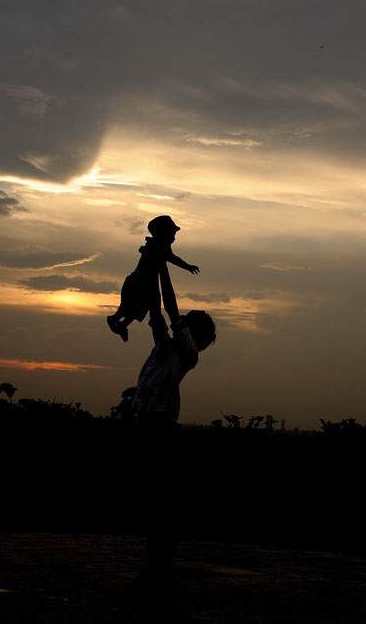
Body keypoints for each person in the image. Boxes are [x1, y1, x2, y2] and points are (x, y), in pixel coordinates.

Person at [131, 267, 216, 593]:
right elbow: (157, 309)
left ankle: (160, 569)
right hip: (148, 424)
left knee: (161, 504)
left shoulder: (188, 353)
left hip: (160, 426)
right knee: (155, 503)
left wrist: (162, 266)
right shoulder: (164, 348)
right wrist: (153, 268)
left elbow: (169, 307)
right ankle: (157, 568)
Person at [107, 215, 199, 342]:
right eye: (172, 234)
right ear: (163, 234)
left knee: (132, 307)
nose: (173, 238)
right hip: (143, 283)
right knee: (140, 307)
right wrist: (188, 267)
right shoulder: (160, 248)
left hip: (134, 281)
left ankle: (120, 322)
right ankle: (119, 322)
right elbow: (173, 259)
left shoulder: (151, 246)